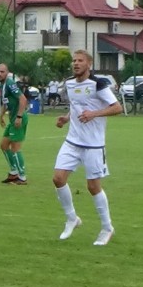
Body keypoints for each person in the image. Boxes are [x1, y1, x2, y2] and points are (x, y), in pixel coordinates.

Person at [52, 50, 122, 246]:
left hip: (93, 145)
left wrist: (94, 114)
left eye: (80, 61)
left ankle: (107, 228)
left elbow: (117, 107)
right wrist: (66, 118)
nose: (76, 64)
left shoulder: (98, 84)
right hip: (72, 141)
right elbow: (76, 105)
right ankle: (72, 218)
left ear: (89, 64)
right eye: (74, 61)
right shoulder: (70, 83)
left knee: (93, 187)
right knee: (58, 178)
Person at [0, 64, 29, 185]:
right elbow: (6, 103)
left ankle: (22, 177)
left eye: (2, 72)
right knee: (4, 145)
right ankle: (14, 173)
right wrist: (1, 116)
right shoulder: (2, 85)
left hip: (18, 119)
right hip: (12, 119)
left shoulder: (10, 84)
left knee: (15, 148)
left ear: (7, 72)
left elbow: (23, 99)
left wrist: (19, 117)